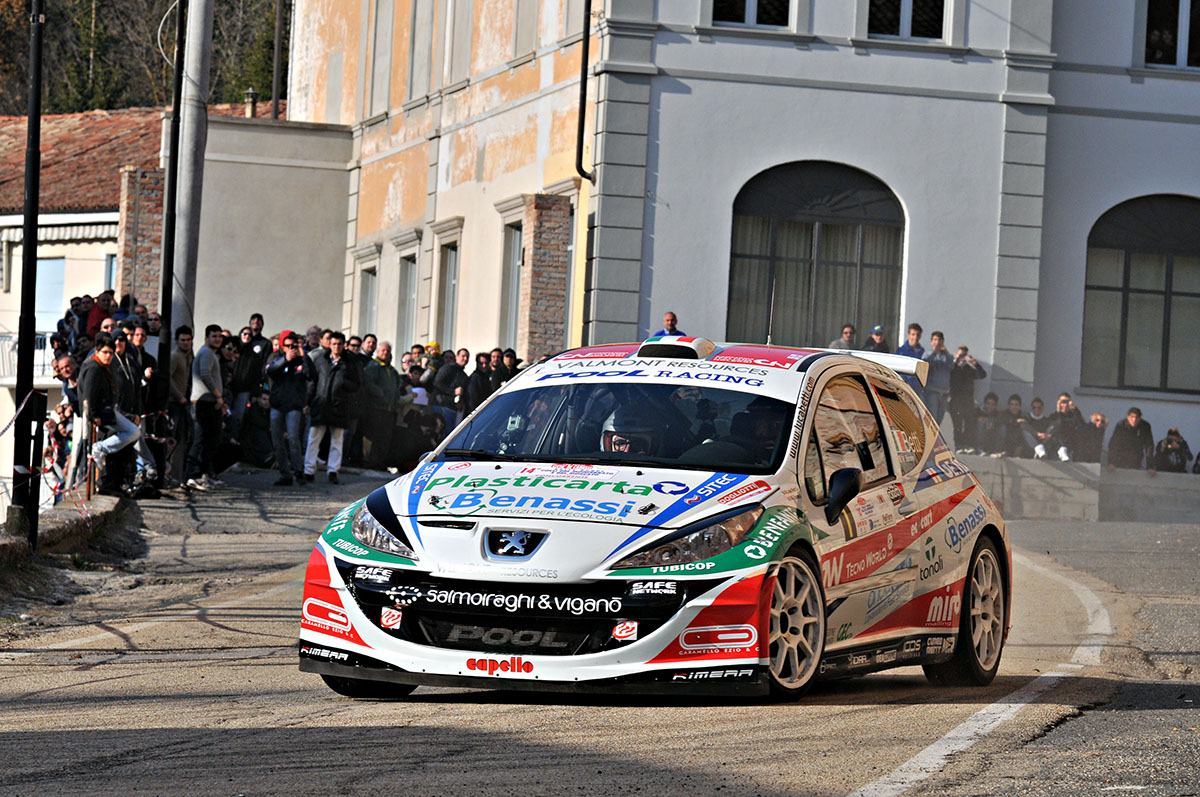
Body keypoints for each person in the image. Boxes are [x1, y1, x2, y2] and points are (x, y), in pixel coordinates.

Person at [78, 332, 141, 496]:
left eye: (111, 353)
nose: (108, 356)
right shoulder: (94, 367)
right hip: (100, 413)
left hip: (108, 411)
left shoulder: (103, 367)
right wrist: (93, 416)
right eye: (105, 352)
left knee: (133, 431)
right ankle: (101, 449)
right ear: (97, 352)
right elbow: (88, 396)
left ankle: (102, 450)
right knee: (132, 432)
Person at [305, 331, 360, 483]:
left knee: (337, 441)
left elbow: (356, 384)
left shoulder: (349, 363)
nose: (336, 346)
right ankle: (308, 470)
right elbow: (313, 382)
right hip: (321, 404)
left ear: (344, 345)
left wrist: (343, 383)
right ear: (329, 344)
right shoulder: (321, 360)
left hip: (339, 406)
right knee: (314, 439)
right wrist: (308, 401)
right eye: (334, 343)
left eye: (339, 344)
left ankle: (333, 471)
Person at [265, 332, 313, 486]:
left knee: (293, 439)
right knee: (277, 441)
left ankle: (298, 472)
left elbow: (311, 375)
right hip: (277, 405)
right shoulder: (276, 357)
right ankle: (285, 474)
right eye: (287, 346)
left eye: (294, 345)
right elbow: (270, 371)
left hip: (294, 406)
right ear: (282, 346)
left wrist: (303, 356)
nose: (291, 348)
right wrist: (286, 360)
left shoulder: (302, 359)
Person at [186, 325, 227, 490]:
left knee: (211, 441)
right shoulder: (206, 353)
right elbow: (204, 374)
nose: (217, 339)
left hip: (210, 403)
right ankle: (192, 475)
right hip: (203, 403)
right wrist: (218, 395)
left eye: (219, 336)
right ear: (206, 338)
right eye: (214, 336)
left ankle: (205, 475)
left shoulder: (210, 354)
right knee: (200, 440)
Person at [362, 341, 403, 469]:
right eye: (383, 350)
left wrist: (395, 399)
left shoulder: (392, 370)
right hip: (376, 408)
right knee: (373, 436)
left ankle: (380, 463)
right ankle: (370, 462)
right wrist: (381, 394)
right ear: (378, 352)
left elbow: (396, 388)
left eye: (388, 351)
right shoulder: (373, 366)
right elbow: (368, 383)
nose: (385, 353)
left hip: (390, 410)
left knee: (386, 438)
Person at [231, 313, 271, 439]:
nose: (247, 336)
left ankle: (236, 439)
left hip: (246, 388)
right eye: (244, 334)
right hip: (231, 387)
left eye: (249, 335)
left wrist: (257, 387)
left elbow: (259, 370)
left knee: (240, 415)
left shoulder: (259, 349)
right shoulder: (235, 349)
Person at [168, 326, 194, 485]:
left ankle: (177, 476)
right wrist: (180, 396)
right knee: (173, 440)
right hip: (174, 403)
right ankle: (171, 476)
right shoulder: (175, 356)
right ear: (177, 340)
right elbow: (168, 378)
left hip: (182, 403)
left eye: (188, 340)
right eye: (183, 340)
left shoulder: (188, 356)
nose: (186, 343)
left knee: (182, 440)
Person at [949, 346, 986, 453]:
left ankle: (967, 445)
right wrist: (956, 361)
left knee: (968, 424)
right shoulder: (953, 368)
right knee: (957, 424)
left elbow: (982, 375)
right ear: (956, 355)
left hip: (968, 401)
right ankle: (957, 445)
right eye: (960, 355)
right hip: (955, 400)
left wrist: (975, 363)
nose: (962, 358)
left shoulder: (969, 369)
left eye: (964, 355)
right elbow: (947, 372)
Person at [432, 347, 470, 432]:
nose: (465, 359)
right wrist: (453, 391)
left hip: (454, 410)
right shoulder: (447, 368)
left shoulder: (464, 375)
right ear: (456, 357)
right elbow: (437, 383)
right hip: (442, 406)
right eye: (463, 356)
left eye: (467, 357)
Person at [1107, 407, 1155, 472]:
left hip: (1136, 457)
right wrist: (1111, 463)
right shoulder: (1121, 425)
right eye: (1132, 417)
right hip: (1121, 457)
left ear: (1140, 418)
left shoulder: (1145, 426)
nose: (1134, 420)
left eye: (1136, 417)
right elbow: (1113, 444)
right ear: (1128, 417)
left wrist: (1150, 466)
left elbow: (1149, 446)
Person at [921, 331, 953, 427]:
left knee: (939, 419)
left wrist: (946, 351)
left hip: (944, 392)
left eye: (939, 340)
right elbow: (925, 366)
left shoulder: (946, 356)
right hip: (932, 391)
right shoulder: (927, 354)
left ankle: (935, 436)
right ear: (931, 342)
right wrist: (934, 352)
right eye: (935, 340)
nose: (937, 342)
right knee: (933, 418)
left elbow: (952, 366)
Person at [1044, 393, 1084, 461]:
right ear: (1059, 403)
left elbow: (1081, 425)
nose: (1065, 404)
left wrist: (1075, 409)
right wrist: (1058, 412)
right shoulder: (1054, 416)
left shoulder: (1073, 416)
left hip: (1069, 449)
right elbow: (1056, 427)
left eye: (1067, 402)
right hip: (1055, 449)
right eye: (1063, 402)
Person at [895, 323, 925, 397]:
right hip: (906, 387)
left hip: (918, 388)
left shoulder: (922, 351)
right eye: (913, 334)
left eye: (918, 335)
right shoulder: (902, 351)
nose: (915, 337)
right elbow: (899, 370)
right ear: (908, 335)